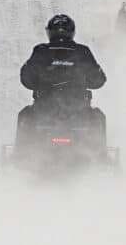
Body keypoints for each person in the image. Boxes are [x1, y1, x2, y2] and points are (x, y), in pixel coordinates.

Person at [16, 14, 107, 146]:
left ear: (49, 32)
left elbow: (26, 78)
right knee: (97, 117)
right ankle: (100, 158)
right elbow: (99, 80)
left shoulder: (40, 50)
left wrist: (39, 84)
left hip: (45, 109)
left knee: (25, 115)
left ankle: (21, 156)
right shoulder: (82, 51)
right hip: (78, 111)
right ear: (72, 32)